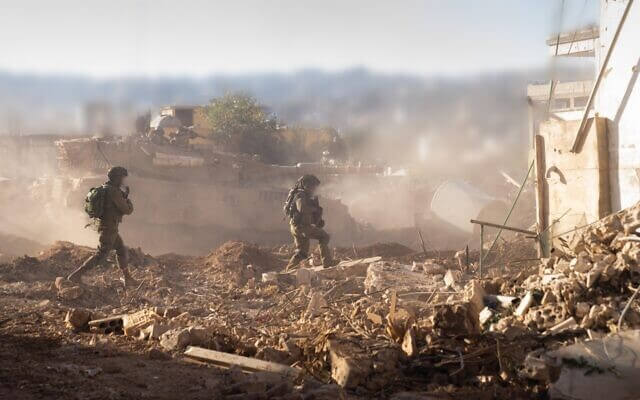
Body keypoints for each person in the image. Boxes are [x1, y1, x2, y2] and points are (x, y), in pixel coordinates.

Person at [67, 166, 137, 286]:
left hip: (108, 226)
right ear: (117, 178)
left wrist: (123, 196)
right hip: (109, 228)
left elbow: (112, 205)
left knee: (121, 249)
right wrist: (128, 200)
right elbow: (127, 210)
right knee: (101, 254)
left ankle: (127, 278)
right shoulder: (114, 191)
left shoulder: (105, 188)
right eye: (122, 178)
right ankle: (75, 275)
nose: (123, 181)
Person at [284, 174, 336, 270]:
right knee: (324, 236)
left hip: (297, 227)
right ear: (305, 185)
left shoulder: (306, 196)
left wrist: (318, 221)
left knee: (302, 252)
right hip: (302, 227)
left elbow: (305, 214)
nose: (314, 189)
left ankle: (289, 269)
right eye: (312, 186)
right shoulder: (301, 195)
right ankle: (327, 262)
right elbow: (302, 208)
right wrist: (315, 209)